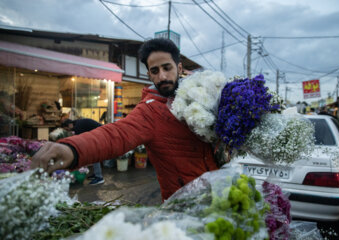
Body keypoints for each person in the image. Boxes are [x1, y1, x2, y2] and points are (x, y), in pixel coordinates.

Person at [31, 38, 218, 201]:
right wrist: (72, 149)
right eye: (155, 71)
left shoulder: (203, 97)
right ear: (149, 75)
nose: (162, 76)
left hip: (220, 194)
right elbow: (117, 134)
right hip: (183, 206)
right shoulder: (149, 111)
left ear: (179, 67)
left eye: (167, 68)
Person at [61, 118, 105, 185]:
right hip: (96, 135)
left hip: (100, 135)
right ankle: (96, 174)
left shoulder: (78, 127)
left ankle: (99, 178)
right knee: (93, 155)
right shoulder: (76, 123)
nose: (68, 130)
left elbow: (81, 141)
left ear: (69, 125)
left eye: (67, 129)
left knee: (95, 155)